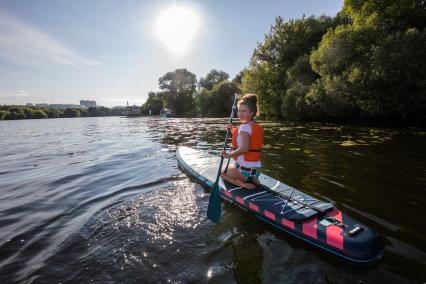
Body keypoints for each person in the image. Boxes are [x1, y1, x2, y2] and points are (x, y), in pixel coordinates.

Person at [220, 93, 264, 189]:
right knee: (235, 165)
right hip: (256, 172)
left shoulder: (244, 127)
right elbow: (244, 136)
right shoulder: (253, 125)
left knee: (221, 172)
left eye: (244, 111)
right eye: (239, 111)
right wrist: (232, 130)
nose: (240, 114)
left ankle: (241, 184)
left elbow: (244, 148)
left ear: (251, 112)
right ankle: (253, 179)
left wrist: (228, 156)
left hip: (245, 173)